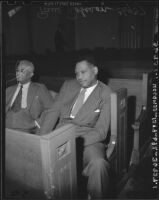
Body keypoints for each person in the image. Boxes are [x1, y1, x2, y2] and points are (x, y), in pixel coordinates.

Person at [39, 55, 112, 199]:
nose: (79, 76)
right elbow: (54, 111)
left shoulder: (106, 93)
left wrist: (73, 143)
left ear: (95, 70)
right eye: (76, 73)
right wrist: (42, 138)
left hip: (88, 139)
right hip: (60, 134)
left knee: (99, 165)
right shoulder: (68, 85)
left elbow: (101, 132)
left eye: (83, 72)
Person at [6, 60, 54, 133]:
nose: (18, 73)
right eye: (17, 70)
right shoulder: (9, 90)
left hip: (27, 129)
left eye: (22, 71)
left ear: (31, 74)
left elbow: (51, 109)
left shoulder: (39, 89)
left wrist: (38, 123)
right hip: (6, 127)